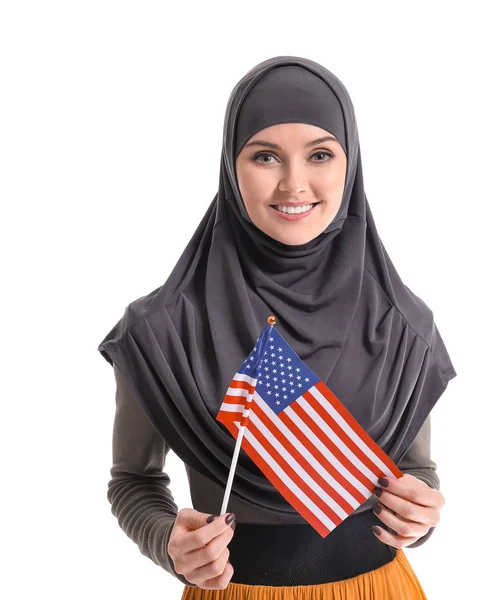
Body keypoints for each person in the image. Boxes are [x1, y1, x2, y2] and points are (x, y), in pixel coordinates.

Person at [99, 55, 457, 599]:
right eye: (265, 156)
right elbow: (134, 480)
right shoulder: (164, 328)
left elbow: (415, 471)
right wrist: (166, 539)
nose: (294, 184)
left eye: (320, 155)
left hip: (380, 588)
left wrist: (419, 512)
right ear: (229, 166)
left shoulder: (401, 323)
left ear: (350, 165)